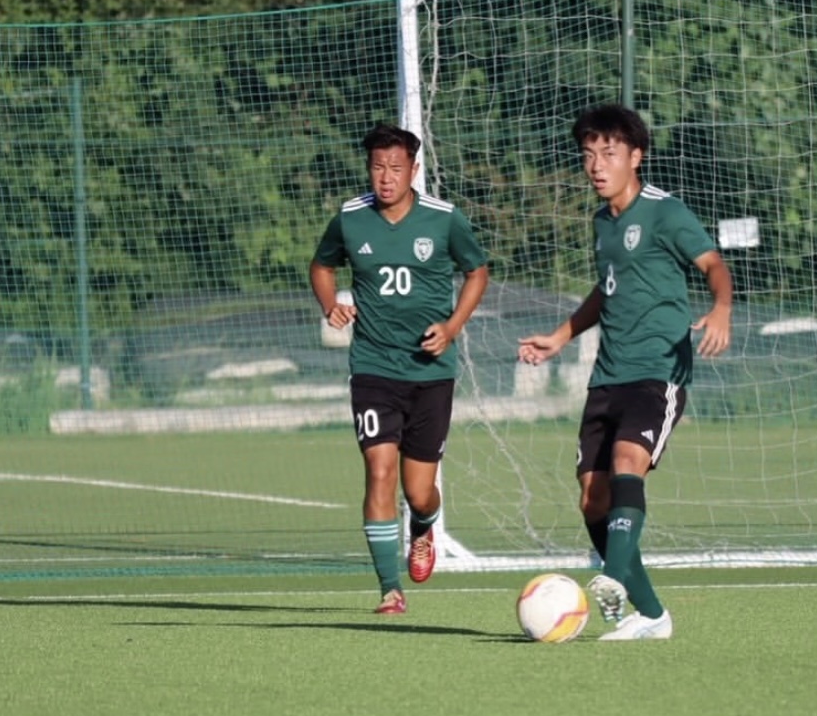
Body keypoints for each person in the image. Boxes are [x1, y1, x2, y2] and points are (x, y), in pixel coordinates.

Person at [518, 104, 733, 640]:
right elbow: (606, 288)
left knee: (626, 460)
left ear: (636, 157)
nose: (596, 165)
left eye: (609, 154)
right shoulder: (602, 222)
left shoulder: (665, 212)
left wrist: (722, 308)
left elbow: (713, 264)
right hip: (607, 376)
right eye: (588, 155)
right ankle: (652, 615)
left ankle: (611, 577)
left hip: (658, 372)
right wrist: (561, 336)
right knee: (592, 497)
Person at [310, 123, 489, 614]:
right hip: (373, 367)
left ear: (413, 169)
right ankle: (390, 588)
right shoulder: (351, 218)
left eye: (395, 168)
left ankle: (423, 527)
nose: (385, 177)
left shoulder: (444, 219)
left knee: (420, 491)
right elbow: (321, 266)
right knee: (379, 470)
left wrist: (451, 327)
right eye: (377, 167)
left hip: (431, 372)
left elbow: (477, 272)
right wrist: (331, 305)